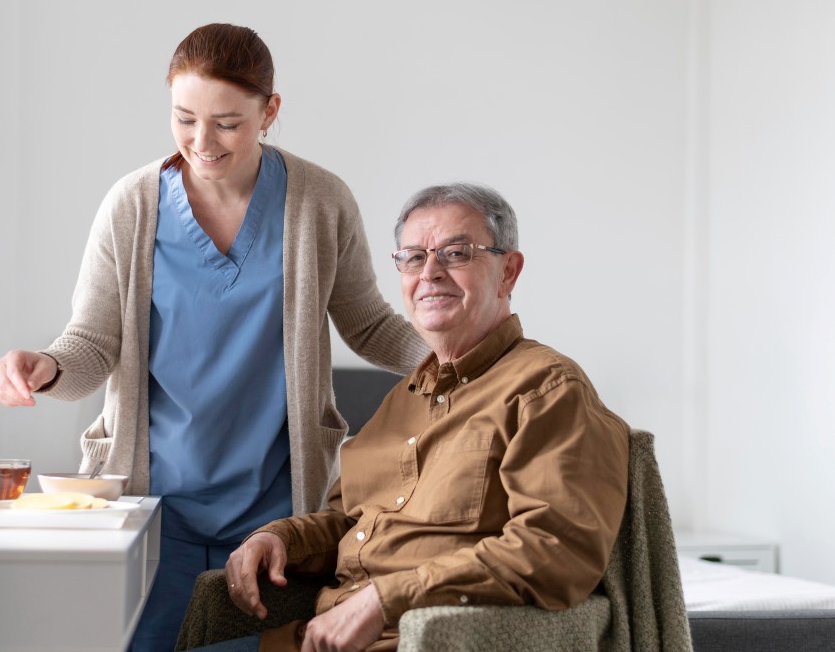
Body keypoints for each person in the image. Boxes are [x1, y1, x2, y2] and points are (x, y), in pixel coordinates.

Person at [0, 23, 428, 652]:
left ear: (270, 111)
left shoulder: (319, 201)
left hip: (273, 511)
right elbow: (90, 344)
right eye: (184, 118)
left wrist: (460, 360)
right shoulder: (131, 206)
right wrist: (46, 368)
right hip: (151, 507)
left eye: (227, 122)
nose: (203, 141)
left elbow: (368, 324)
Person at [206, 183, 631, 652]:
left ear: (508, 272)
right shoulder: (402, 398)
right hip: (312, 637)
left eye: (455, 253)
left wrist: (385, 600)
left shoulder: (546, 389)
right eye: (412, 257)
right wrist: (281, 539)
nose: (430, 272)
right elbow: (354, 524)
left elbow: (557, 550)